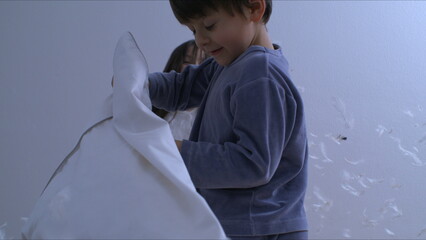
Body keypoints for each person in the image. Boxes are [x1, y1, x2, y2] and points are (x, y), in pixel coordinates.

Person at [148, 0, 308, 239]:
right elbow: (182, 88)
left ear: (254, 9)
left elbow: (253, 164)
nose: (200, 40)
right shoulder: (229, 65)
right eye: (193, 30)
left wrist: (178, 151)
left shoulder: (260, 73)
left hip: (262, 228)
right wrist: (140, 84)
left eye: (209, 26)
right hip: (242, 223)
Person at [152, 40, 207, 140]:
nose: (196, 67)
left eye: (203, 63)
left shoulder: (214, 115)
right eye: (187, 62)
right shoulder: (154, 107)